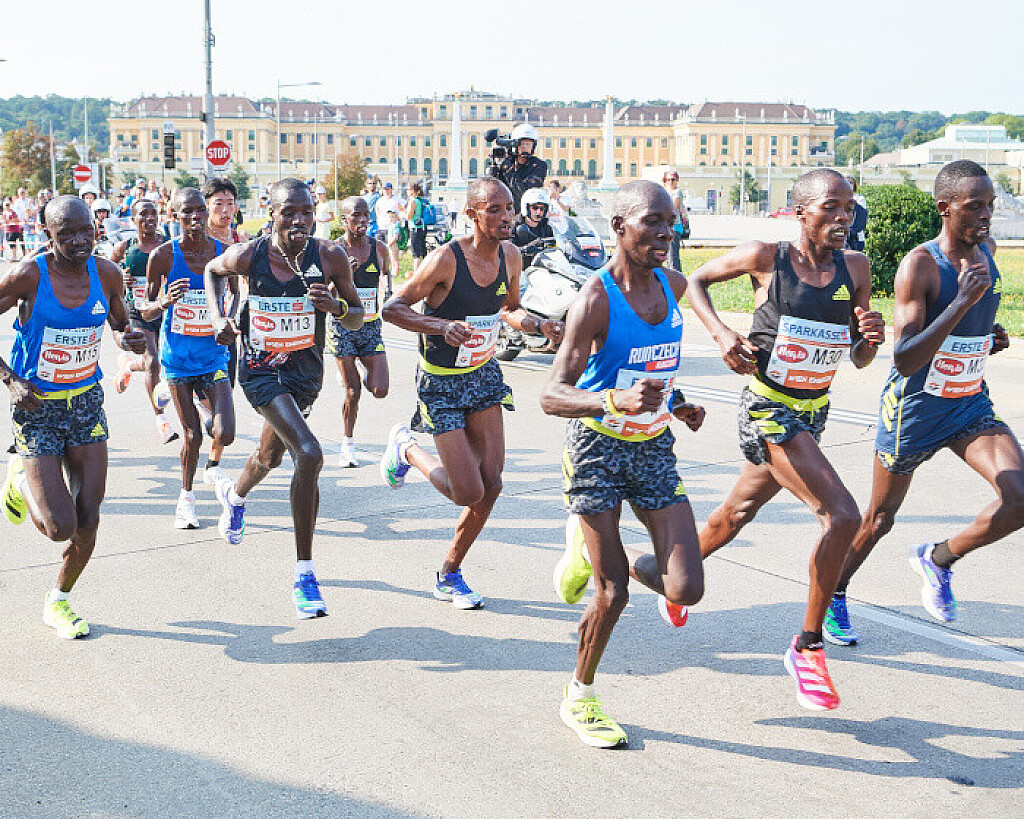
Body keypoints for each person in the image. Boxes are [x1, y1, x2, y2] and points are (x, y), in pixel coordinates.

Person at [685, 168, 885, 711]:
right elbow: (694, 281)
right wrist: (722, 334)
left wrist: (869, 338)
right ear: (801, 212)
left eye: (849, 209)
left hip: (813, 413)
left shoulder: (855, 267)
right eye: (830, 207)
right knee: (842, 516)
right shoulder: (765, 257)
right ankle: (808, 647)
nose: (842, 218)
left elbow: (859, 356)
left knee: (734, 514)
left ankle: (665, 572)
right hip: (768, 410)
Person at [540, 180, 706, 749]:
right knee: (612, 595)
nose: (667, 232)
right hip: (596, 449)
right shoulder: (595, 299)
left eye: (671, 221)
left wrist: (677, 403)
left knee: (685, 589)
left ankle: (601, 549)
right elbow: (552, 394)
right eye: (652, 222)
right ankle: (580, 696)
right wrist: (615, 400)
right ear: (619, 227)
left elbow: (654, 369)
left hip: (652, 446)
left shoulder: (674, 285)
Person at [827, 159, 1021, 639]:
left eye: (990, 205)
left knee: (1020, 498)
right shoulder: (921, 265)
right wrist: (961, 304)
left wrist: (987, 335)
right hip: (915, 410)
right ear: (945, 208)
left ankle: (938, 559)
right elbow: (907, 357)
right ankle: (834, 593)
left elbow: (970, 325)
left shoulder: (988, 251)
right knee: (879, 519)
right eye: (973, 206)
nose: (985, 215)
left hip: (968, 402)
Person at [380, 177, 562, 609]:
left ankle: (449, 572)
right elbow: (392, 309)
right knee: (467, 492)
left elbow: (508, 309)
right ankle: (406, 450)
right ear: (472, 214)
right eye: (494, 210)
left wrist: (539, 325)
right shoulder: (446, 259)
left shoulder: (511, 255)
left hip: (482, 375)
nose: (506, 217)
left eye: (509, 208)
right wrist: (441, 326)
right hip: (441, 381)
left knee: (492, 484)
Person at [204, 178, 364, 618]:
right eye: (288, 212)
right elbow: (213, 271)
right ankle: (305, 575)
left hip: (304, 374)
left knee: (269, 456)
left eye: (306, 212)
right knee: (309, 453)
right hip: (260, 371)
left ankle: (235, 496)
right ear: (270, 213)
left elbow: (357, 316)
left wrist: (335, 307)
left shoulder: (329, 256)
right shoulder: (249, 255)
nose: (299, 220)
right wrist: (219, 318)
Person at [0, 196, 147, 639]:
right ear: (48, 234)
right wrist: (10, 380)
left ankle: (59, 600)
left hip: (85, 404)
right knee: (58, 527)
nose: (80, 240)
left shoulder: (107, 273)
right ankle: (19, 478)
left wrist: (128, 340)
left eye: (87, 231)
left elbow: (120, 324)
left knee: (88, 519)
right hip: (37, 407)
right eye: (67, 233)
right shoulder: (28, 275)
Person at [141, 188, 235, 530]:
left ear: (206, 213)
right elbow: (145, 310)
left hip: (213, 356)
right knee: (193, 436)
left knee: (225, 433)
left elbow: (236, 293)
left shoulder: (223, 252)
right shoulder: (163, 256)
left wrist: (228, 319)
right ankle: (186, 499)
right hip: (178, 360)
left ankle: (184, 401)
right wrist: (165, 301)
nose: (195, 217)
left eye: (199, 210)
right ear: (175, 216)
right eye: (187, 212)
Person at [328, 197, 392, 467]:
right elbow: (326, 296)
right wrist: (346, 278)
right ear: (344, 219)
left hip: (370, 326)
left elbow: (386, 274)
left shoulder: (379, 248)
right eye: (356, 215)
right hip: (342, 325)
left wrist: (389, 293)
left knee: (380, 390)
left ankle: (360, 369)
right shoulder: (333, 251)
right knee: (352, 392)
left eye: (366, 214)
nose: (362, 220)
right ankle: (348, 445)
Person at [110, 198, 178, 444]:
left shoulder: (168, 246)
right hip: (137, 311)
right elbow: (108, 271)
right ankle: (161, 420)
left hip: (165, 310)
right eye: (143, 214)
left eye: (153, 213)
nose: (149, 218)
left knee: (162, 361)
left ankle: (129, 366)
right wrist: (121, 277)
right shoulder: (125, 247)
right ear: (133, 219)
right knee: (153, 361)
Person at [490, 123, 547, 213]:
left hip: (524, 213)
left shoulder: (539, 165)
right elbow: (492, 186)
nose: (524, 147)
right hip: (502, 210)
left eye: (528, 144)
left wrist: (508, 169)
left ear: (533, 146)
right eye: (521, 144)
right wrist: (495, 165)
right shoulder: (507, 162)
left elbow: (525, 192)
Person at [512, 187, 555, 265]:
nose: (538, 212)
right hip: (519, 268)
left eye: (542, 209)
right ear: (526, 208)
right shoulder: (513, 226)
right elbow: (507, 252)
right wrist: (527, 248)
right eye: (535, 208)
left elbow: (554, 247)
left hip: (542, 267)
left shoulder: (546, 227)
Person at [662, 170, 689, 270]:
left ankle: (676, 275)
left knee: (673, 255)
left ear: (677, 180)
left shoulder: (677, 192)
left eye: (673, 179)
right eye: (668, 180)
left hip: (674, 227)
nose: (670, 182)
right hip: (667, 226)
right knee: (668, 255)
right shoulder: (665, 192)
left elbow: (673, 209)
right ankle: (670, 274)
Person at [404, 182, 428, 274]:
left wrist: (402, 212)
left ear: (413, 191)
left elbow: (408, 217)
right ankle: (426, 272)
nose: (407, 191)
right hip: (422, 227)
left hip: (415, 228)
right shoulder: (421, 200)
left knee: (416, 253)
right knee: (423, 250)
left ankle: (416, 274)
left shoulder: (413, 201)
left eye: (409, 189)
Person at [844, 175, 868, 253]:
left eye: (850, 182)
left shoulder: (860, 198)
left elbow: (861, 217)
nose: (848, 184)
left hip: (856, 238)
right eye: (846, 181)